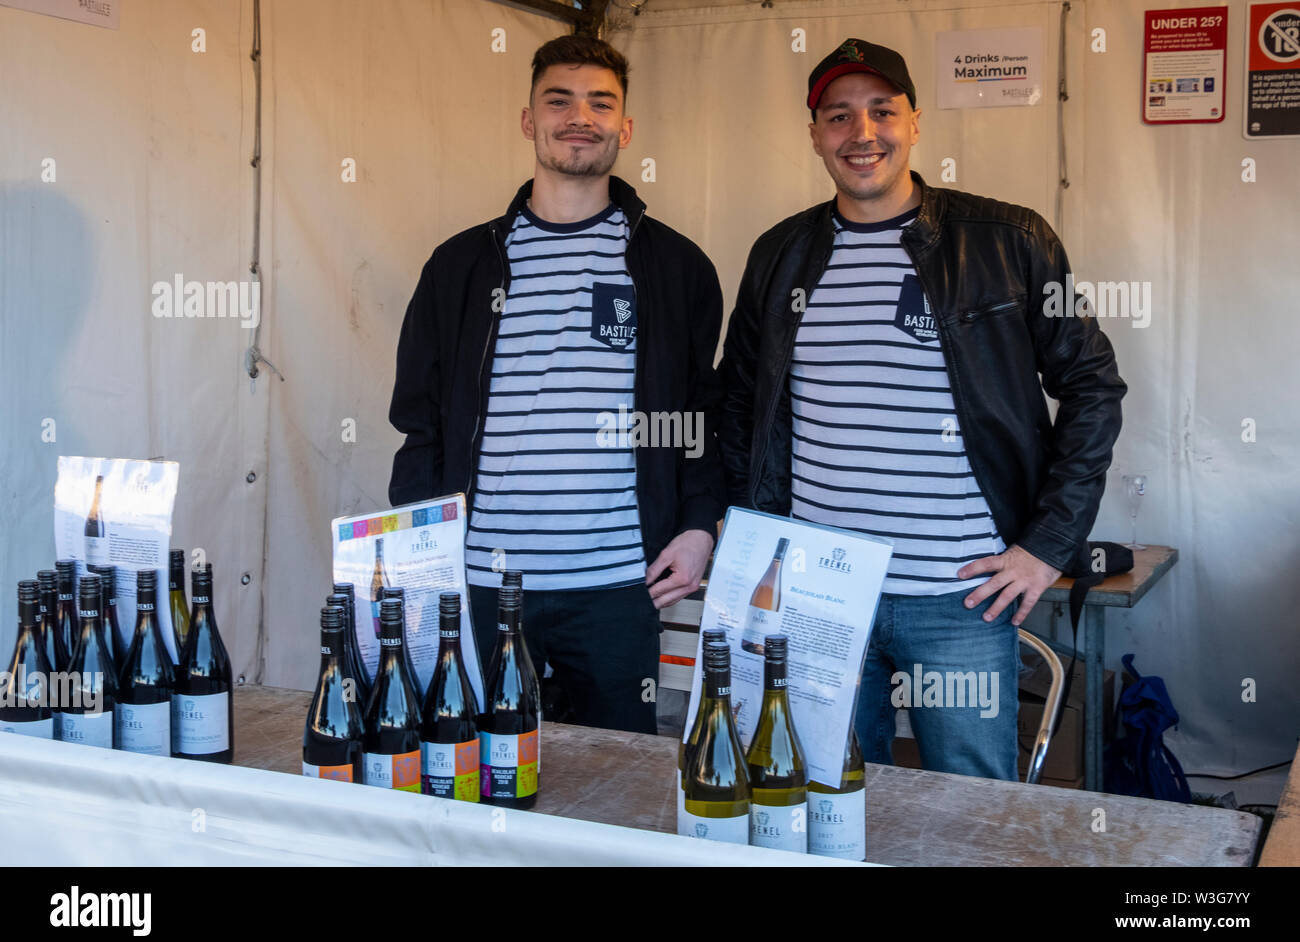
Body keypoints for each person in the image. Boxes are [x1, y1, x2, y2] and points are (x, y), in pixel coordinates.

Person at [718, 38, 1126, 779]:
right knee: (828, 798)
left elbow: (1093, 386)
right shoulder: (779, 255)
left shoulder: (1009, 239)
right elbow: (739, 401)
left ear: (914, 122)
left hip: (960, 593)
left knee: (971, 812)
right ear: (815, 135)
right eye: (838, 117)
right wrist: (747, 536)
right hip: (819, 592)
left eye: (881, 111)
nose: (861, 133)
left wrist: (1047, 545)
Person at [388, 35, 725, 735]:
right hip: (479, 581)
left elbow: (698, 418)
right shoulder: (461, 265)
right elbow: (418, 425)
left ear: (625, 128)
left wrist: (697, 527)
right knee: (469, 767)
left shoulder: (675, 267)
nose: (581, 117)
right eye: (560, 100)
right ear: (527, 119)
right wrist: (422, 551)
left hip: (617, 584)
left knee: (616, 780)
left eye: (601, 103)